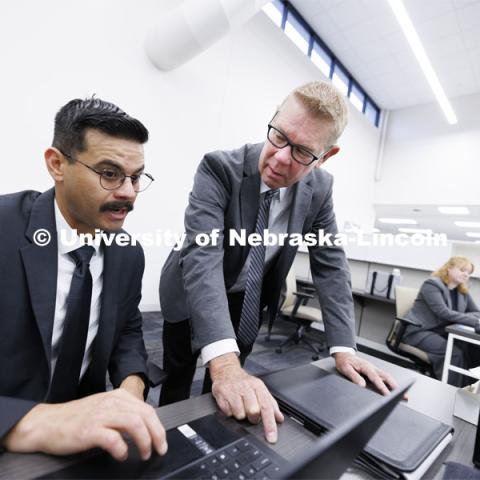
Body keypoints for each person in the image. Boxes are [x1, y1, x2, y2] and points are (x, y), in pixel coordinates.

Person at [159, 81, 397, 443]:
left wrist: (344, 348)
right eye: (279, 136)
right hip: (192, 288)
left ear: (326, 156)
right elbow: (203, 257)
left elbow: (330, 264)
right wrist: (222, 362)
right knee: (179, 376)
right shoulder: (219, 167)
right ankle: (169, 448)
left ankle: (213, 452)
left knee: (228, 389)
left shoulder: (320, 188)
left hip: (247, 297)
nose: (281, 158)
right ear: (272, 119)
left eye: (303, 151)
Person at [0, 97, 167, 461]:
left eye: (136, 177)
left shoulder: (127, 253)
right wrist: (34, 422)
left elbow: (128, 331)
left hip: (85, 442)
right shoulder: (4, 229)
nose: (127, 193)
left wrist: (131, 386)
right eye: (109, 173)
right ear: (57, 164)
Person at [403, 256, 480, 386]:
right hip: (420, 332)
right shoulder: (432, 284)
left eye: (469, 272)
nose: (466, 274)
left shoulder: (462, 292)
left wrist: (465, 316)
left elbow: (477, 312)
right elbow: (444, 313)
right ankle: (449, 391)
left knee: (473, 349)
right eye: (462, 270)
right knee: (455, 353)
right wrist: (473, 320)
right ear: (449, 268)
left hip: (441, 333)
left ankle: (466, 389)